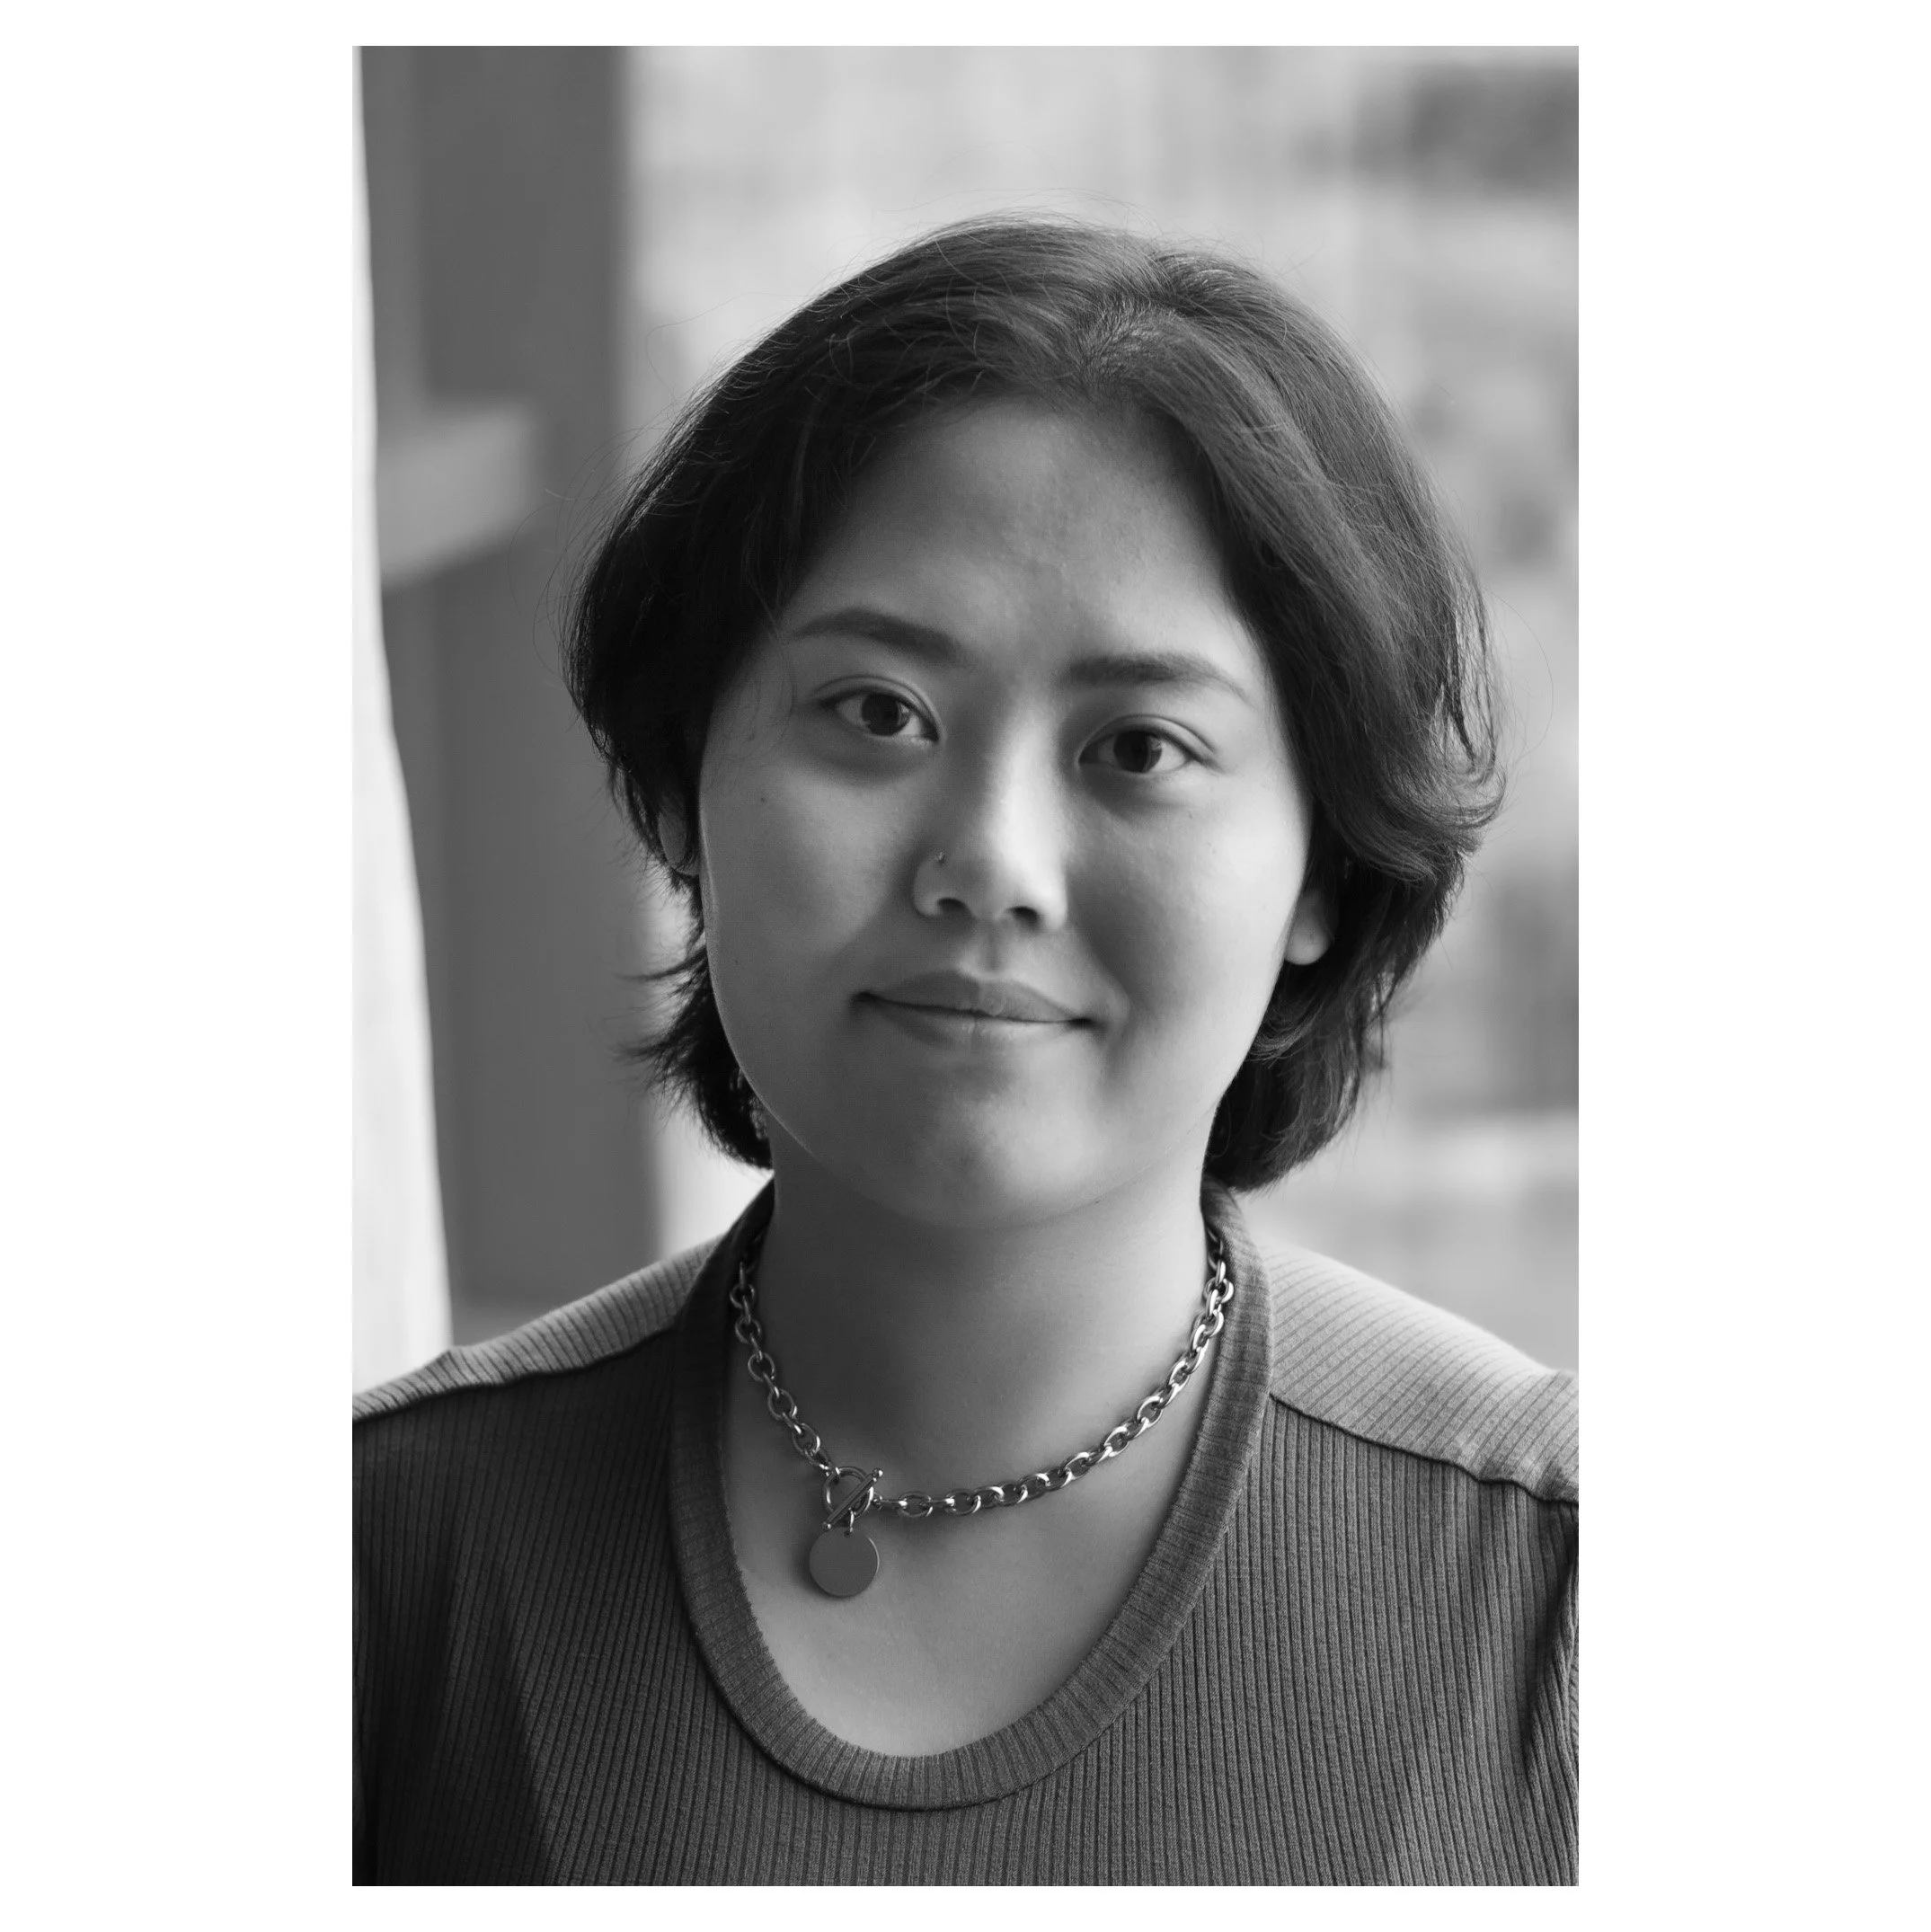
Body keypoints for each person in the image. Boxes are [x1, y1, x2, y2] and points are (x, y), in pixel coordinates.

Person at [353, 216, 1576, 1884]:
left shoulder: (1568, 1598)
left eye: (1140, 747)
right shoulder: (380, 1554)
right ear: (682, 784)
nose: (990, 859)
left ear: (1324, 872)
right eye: (877, 713)